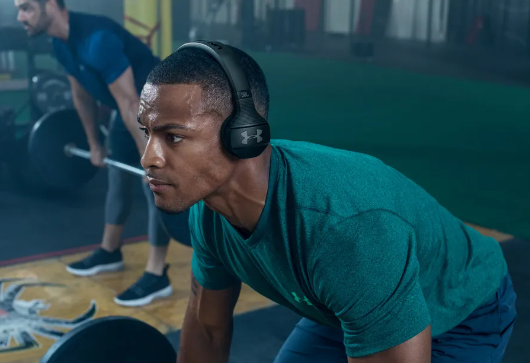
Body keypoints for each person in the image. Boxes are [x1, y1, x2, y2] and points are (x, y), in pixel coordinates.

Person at [137, 42, 517, 362]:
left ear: (244, 135)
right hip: (353, 306)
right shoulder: (208, 213)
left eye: (173, 136)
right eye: (147, 132)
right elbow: (206, 328)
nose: (148, 158)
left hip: (462, 310)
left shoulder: (347, 230)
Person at [15, 0, 178, 307]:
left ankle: (157, 274)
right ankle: (110, 251)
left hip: (156, 108)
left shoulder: (97, 39)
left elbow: (133, 102)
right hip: (126, 110)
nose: (20, 16)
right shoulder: (60, 44)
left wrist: (151, 160)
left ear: (51, 5)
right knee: (118, 177)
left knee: (157, 188)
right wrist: (93, 142)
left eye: (26, 8)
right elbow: (81, 94)